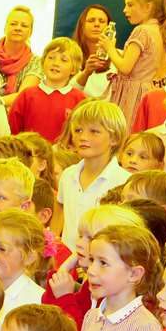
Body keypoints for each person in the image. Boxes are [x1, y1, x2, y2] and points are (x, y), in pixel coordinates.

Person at [57, 100, 131, 249]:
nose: (83, 137)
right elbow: (60, 218)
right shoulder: (68, 175)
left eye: (94, 131)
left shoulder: (125, 182)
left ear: (114, 138)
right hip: (66, 264)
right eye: (78, 130)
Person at [103, 0, 166, 125]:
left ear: (148, 7)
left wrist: (109, 48)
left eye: (130, 5)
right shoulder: (159, 31)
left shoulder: (142, 31)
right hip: (148, 91)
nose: (125, 10)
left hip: (133, 95)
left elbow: (125, 67)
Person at [7, 37, 85, 142]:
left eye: (64, 60)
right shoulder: (27, 95)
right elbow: (13, 132)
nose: (55, 63)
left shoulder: (80, 99)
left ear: (73, 69)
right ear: (43, 62)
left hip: (64, 157)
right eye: (51, 58)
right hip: (30, 155)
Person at [0, 6, 42, 102]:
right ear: (5, 27)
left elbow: (23, 96)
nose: (18, 28)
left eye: (24, 26)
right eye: (13, 24)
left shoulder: (36, 62)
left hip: (15, 113)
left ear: (31, 32)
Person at [70, 3, 115, 97]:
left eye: (102, 21)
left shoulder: (121, 56)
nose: (97, 24)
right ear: (82, 25)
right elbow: (66, 93)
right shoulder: (68, 56)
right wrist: (86, 73)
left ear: (110, 28)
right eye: (91, 20)